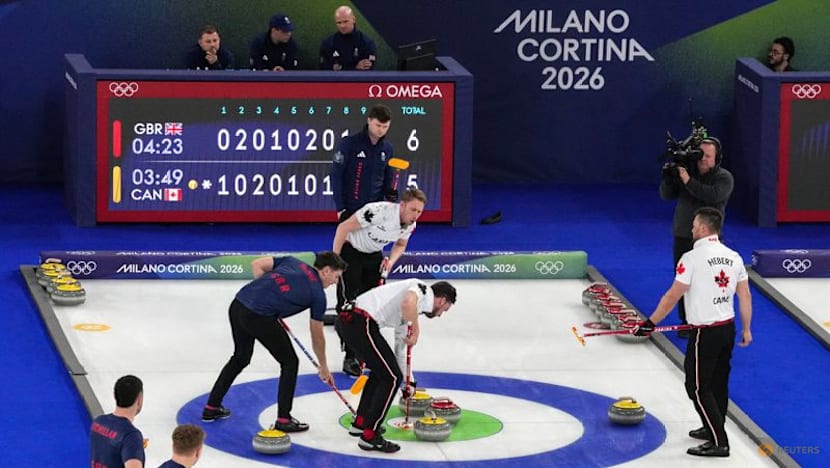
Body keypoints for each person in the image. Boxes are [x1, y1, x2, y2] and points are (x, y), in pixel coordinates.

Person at [634, 207, 752, 458]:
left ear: (702, 228)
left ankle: (719, 441)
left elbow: (672, 295)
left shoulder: (690, 258)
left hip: (704, 333)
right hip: (727, 328)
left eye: (694, 225)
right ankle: (713, 425)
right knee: (718, 383)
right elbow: (745, 295)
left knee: (696, 386)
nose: (691, 229)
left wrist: (650, 323)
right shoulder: (734, 257)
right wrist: (747, 328)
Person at [202, 252, 347, 433]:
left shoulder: (293, 262)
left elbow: (257, 264)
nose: (335, 282)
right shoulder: (317, 295)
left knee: (240, 357)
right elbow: (317, 336)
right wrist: (323, 366)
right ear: (326, 271)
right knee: (290, 362)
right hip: (258, 316)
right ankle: (284, 419)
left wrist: (267, 295)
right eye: (336, 276)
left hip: (238, 304)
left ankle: (212, 407)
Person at [338, 279, 457, 453]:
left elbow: (400, 350)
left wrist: (409, 383)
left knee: (382, 373)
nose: (439, 315)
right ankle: (370, 436)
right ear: (442, 300)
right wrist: (416, 329)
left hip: (350, 322)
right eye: (444, 310)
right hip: (360, 321)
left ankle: (361, 423)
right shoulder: (421, 291)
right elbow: (408, 302)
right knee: (391, 378)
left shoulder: (413, 310)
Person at [328, 103, 397, 368]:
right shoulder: (348, 144)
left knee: (369, 290)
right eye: (378, 125)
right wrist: (341, 209)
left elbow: (388, 179)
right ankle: (349, 353)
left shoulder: (387, 150)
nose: (382, 130)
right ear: (369, 121)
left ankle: (366, 346)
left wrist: (390, 198)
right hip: (351, 218)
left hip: (374, 225)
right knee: (348, 288)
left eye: (386, 126)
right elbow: (336, 176)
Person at [332, 188, 427, 377]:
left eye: (419, 212)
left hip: (374, 256)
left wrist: (390, 261)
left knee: (371, 308)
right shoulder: (377, 212)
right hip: (351, 252)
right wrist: (335, 260)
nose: (416, 215)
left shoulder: (410, 224)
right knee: (348, 305)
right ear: (402, 205)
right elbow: (343, 228)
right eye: (413, 210)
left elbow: (400, 244)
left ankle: (365, 352)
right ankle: (351, 357)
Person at [659, 136, 733, 337]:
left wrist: (687, 180)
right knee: (683, 280)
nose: (703, 159)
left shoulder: (724, 178)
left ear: (717, 158)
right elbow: (666, 195)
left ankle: (709, 321)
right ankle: (687, 322)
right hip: (684, 234)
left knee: (708, 280)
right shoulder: (687, 173)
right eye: (700, 155)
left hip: (709, 240)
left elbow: (712, 195)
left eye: (708, 156)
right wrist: (669, 177)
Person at [89, 375, 145, 468]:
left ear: (115, 396)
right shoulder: (130, 435)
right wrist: (134, 445)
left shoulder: (99, 422)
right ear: (139, 400)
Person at [319, 5, 377, 70]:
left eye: (345, 21)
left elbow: (366, 67)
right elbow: (324, 68)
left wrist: (341, 68)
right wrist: (355, 67)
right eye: (339, 23)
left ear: (353, 20)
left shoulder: (367, 42)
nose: (342, 26)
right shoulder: (328, 44)